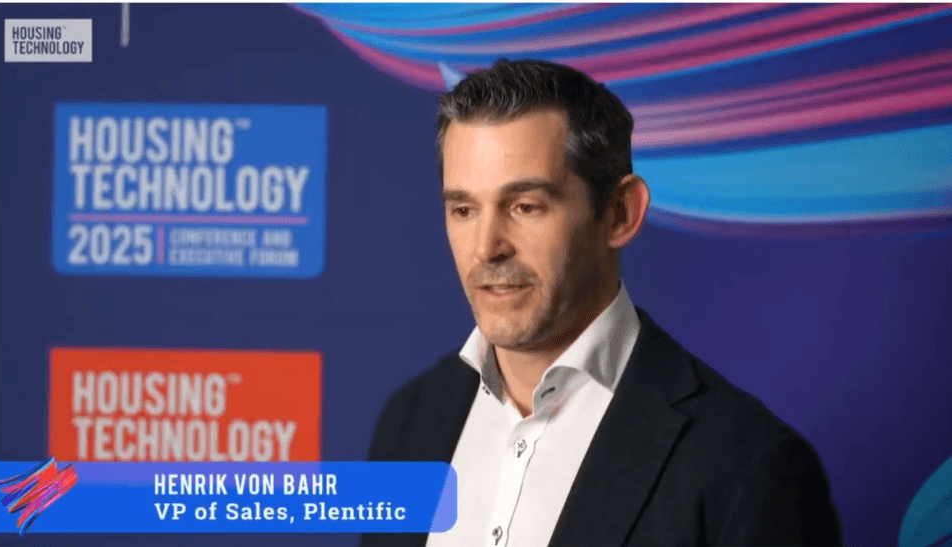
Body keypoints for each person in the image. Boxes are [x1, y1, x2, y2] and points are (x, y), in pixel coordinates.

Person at [361, 59, 842, 547]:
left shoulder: (749, 468)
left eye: (525, 206)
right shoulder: (407, 422)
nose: (487, 247)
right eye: (464, 210)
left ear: (619, 214)